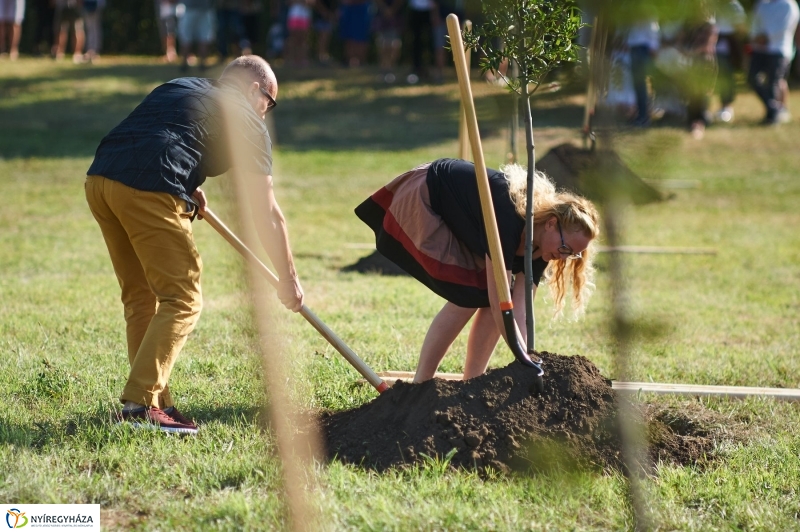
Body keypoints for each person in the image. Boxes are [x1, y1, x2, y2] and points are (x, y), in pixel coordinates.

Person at [85, 55, 304, 434]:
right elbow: (266, 212)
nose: (265, 114)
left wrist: (186, 183)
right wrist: (289, 278)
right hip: (148, 189)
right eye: (269, 104)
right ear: (255, 90)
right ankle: (139, 407)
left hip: (101, 180)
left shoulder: (181, 85)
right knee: (183, 298)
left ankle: (152, 402)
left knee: (141, 298)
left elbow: (164, 133)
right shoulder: (247, 118)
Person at [355, 159, 599, 383]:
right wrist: (525, 360)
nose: (564, 258)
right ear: (551, 223)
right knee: (475, 291)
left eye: (572, 254)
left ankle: (472, 381)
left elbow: (520, 309)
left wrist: (526, 356)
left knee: (488, 292)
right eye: (565, 248)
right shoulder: (510, 220)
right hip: (423, 195)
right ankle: (422, 382)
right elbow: (500, 302)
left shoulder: (542, 246)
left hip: (457, 214)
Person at [748, 0, 800, 125]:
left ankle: (773, 115)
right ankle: (775, 109)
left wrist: (765, 37)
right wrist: (754, 36)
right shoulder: (762, 5)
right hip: (760, 50)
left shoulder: (788, 5)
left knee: (775, 83)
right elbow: (755, 24)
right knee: (752, 78)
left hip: (779, 50)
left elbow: (784, 27)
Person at [178, 0, 216, 71]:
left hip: (190, 9)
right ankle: (202, 64)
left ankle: (184, 64)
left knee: (186, 37)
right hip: (204, 9)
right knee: (203, 37)